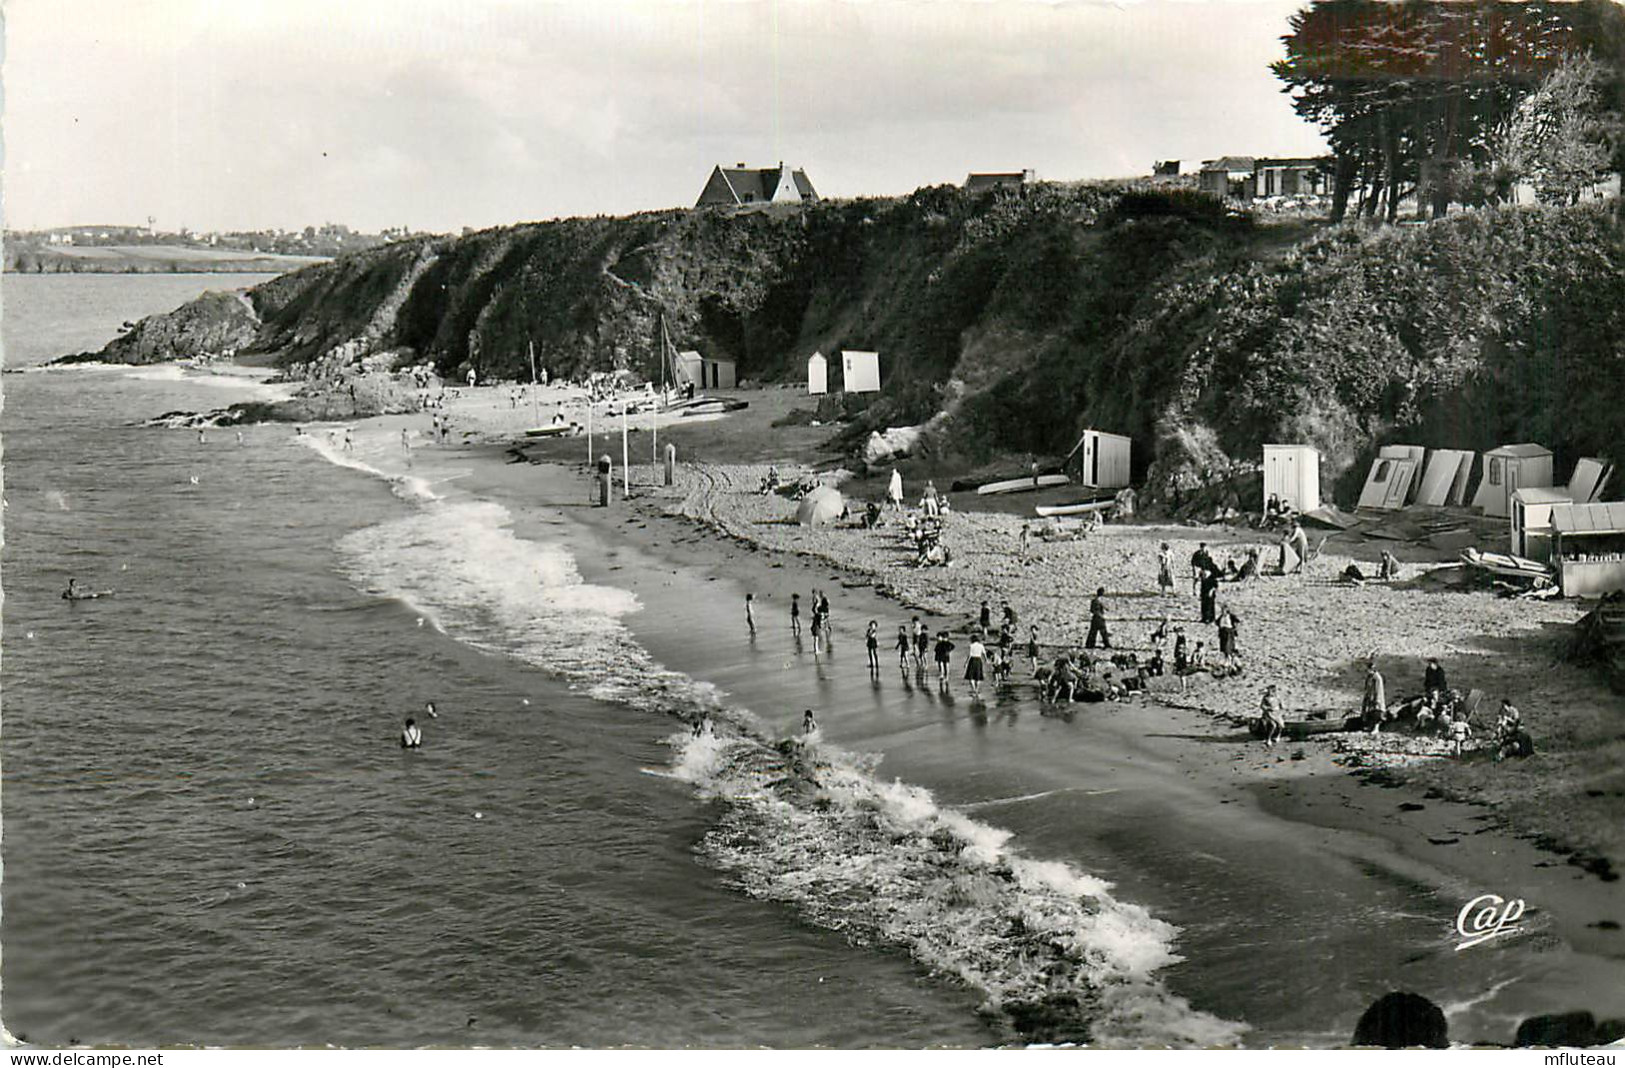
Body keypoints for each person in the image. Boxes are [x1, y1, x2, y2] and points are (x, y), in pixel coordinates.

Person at [1363, 660, 1388, 734]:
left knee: (1377, 712)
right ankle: (1370, 726)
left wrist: (1376, 699)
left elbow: (1378, 690)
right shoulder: (1369, 677)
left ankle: (1376, 728)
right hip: (1370, 697)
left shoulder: (1377, 678)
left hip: (1376, 698)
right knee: (1369, 711)